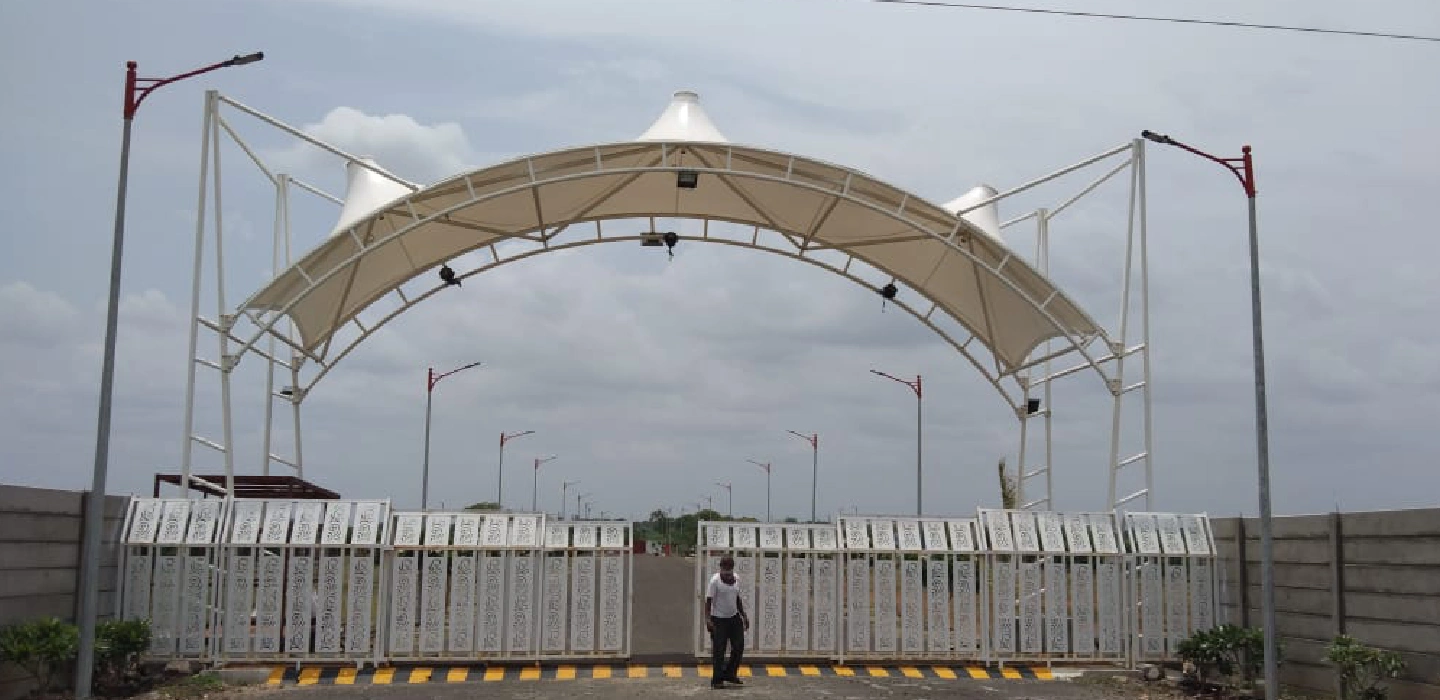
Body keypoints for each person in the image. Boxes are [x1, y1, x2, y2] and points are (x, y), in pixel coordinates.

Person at [704, 556, 749, 689]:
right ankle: (717, 680)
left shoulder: (736, 579)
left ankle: (730, 674)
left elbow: (737, 598)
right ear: (721, 568)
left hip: (734, 618)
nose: (727, 572)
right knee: (719, 650)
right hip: (718, 619)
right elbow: (708, 601)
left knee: (738, 646)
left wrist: (743, 615)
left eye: (730, 569)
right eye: (725, 568)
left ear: (732, 568)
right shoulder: (715, 581)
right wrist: (708, 620)